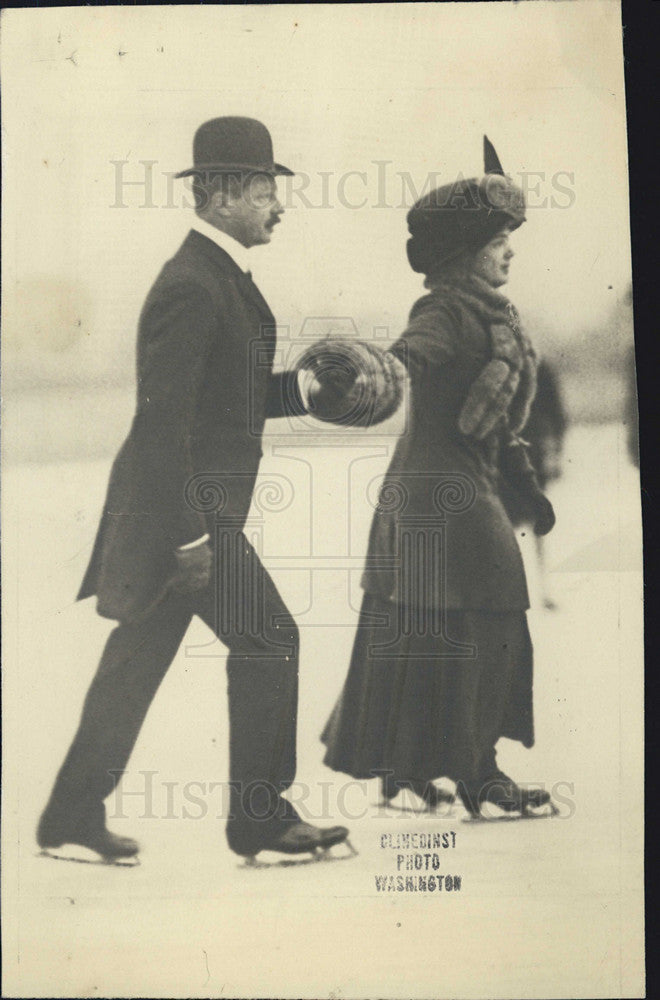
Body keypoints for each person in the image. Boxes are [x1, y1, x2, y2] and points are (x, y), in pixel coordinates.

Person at [37, 117, 350, 864]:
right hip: (183, 518)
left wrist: (301, 391)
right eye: (270, 190)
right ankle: (262, 819)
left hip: (187, 515)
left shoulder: (217, 276)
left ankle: (68, 817)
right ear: (230, 193)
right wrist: (190, 539)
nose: (281, 206)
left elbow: (224, 399)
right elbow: (161, 425)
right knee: (270, 637)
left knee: (135, 663)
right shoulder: (191, 285)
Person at [301, 137, 557, 819]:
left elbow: (498, 419)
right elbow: (406, 358)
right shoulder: (445, 310)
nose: (510, 251)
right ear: (470, 250)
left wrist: (525, 482)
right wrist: (363, 371)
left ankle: (463, 767)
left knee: (477, 621)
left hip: (467, 485)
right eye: (502, 239)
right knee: (447, 623)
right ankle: (431, 771)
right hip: (431, 495)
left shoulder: (494, 311)